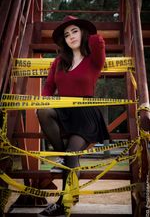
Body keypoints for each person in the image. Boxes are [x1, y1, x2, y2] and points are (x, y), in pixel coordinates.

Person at [37, 15, 109, 216]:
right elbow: (49, 86)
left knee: (72, 152)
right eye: (66, 35)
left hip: (86, 113)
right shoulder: (60, 61)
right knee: (42, 111)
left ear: (84, 33)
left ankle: (63, 201)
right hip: (62, 110)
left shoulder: (93, 58)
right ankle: (63, 158)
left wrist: (89, 31)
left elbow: (98, 41)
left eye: (75, 31)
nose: (70, 37)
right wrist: (43, 100)